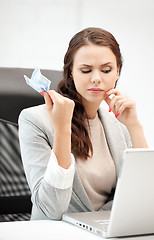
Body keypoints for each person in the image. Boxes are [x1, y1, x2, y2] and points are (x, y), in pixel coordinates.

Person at [18, 27, 148, 220]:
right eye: (86, 70)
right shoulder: (34, 120)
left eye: (106, 70)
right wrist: (62, 129)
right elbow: (51, 209)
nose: (96, 79)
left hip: (106, 229)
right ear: (70, 72)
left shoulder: (119, 126)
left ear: (117, 72)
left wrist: (134, 126)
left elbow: (144, 194)